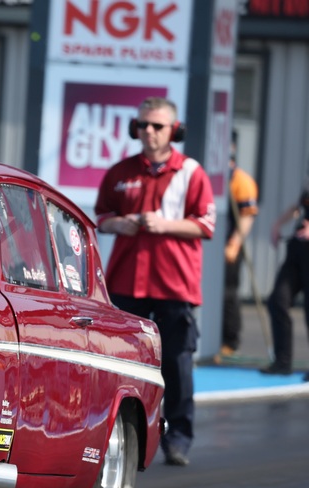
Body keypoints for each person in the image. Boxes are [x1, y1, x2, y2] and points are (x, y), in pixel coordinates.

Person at [94, 96, 215, 467]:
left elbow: (206, 224)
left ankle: (178, 437)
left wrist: (165, 225)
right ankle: (113, 433)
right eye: (142, 125)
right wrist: (120, 223)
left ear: (174, 130)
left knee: (176, 363)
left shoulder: (191, 172)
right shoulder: (120, 171)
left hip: (173, 284)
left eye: (157, 126)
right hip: (125, 281)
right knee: (119, 361)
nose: (148, 131)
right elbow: (101, 216)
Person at [259, 183, 309, 379]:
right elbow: (298, 207)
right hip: (297, 252)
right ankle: (282, 362)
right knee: (278, 301)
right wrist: (278, 224)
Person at [220, 131, 259, 357]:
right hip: (209, 246)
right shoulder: (210, 175)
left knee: (228, 293)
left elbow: (247, 216)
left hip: (230, 245)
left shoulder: (241, 181)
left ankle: (230, 340)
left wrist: (234, 243)